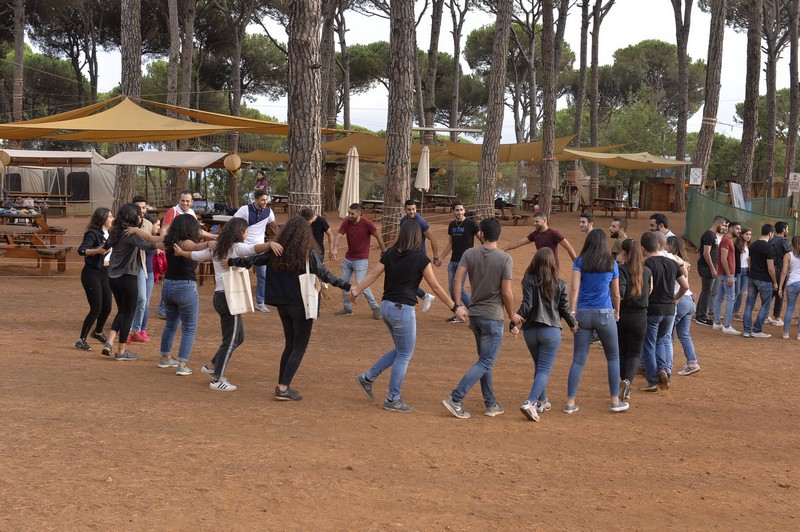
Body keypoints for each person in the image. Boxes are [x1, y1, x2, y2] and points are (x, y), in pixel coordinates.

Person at [229, 215, 353, 401]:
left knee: (290, 344)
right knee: (299, 346)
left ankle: (282, 384)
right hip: (302, 303)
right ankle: (283, 387)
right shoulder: (307, 251)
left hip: (282, 304)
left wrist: (231, 262)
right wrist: (349, 287)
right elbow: (324, 274)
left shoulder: (277, 249)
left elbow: (253, 260)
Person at [354, 222, 462, 413]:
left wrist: (357, 290)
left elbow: (373, 274)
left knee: (400, 350)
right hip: (403, 310)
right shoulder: (420, 258)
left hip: (386, 307)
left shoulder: (390, 254)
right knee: (404, 354)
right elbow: (435, 287)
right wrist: (455, 307)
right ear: (417, 237)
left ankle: (368, 378)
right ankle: (392, 398)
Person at [174, 217, 281, 390]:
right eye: (246, 231)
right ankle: (217, 379)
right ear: (240, 232)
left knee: (238, 337)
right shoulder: (236, 247)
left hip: (221, 296)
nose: (247, 234)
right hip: (229, 298)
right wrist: (269, 245)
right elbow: (253, 249)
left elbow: (196, 256)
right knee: (230, 339)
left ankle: (211, 366)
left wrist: (181, 253)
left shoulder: (218, 248)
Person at [442, 217, 514, 419]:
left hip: (475, 316)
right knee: (485, 361)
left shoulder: (469, 253)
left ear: (481, 234)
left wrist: (457, 305)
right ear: (498, 234)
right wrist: (511, 314)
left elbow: (457, 278)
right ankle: (455, 398)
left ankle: (491, 403)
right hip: (493, 317)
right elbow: (507, 293)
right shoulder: (504, 259)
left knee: (484, 361)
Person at [563, 229, 628, 414]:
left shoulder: (580, 262)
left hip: (583, 313)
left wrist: (572, 313)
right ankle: (615, 401)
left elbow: (574, 289)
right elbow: (615, 293)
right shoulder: (611, 263)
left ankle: (570, 403)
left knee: (578, 360)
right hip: (605, 313)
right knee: (613, 357)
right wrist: (617, 312)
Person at [510, 248, 577, 422]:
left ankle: (542, 401)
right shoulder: (560, 284)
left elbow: (527, 305)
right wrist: (573, 324)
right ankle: (531, 402)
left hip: (531, 331)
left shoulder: (528, 281)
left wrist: (514, 322)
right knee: (544, 369)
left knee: (540, 367)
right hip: (551, 331)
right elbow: (564, 309)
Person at [103, 203, 161, 361]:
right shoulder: (130, 233)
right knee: (129, 313)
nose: (140, 216)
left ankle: (109, 342)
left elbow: (106, 246)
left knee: (122, 311)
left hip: (113, 277)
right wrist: (164, 243)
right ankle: (121, 352)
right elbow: (147, 244)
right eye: (138, 214)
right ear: (132, 216)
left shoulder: (115, 231)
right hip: (127, 277)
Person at [639, 232, 689, 393]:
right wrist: (675, 299)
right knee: (662, 341)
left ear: (642, 248)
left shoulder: (646, 264)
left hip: (653, 309)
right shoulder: (672, 262)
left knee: (649, 343)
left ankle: (653, 380)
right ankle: (664, 371)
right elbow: (685, 286)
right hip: (669, 309)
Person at [330, 203, 385, 319]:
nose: (349, 215)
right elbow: (339, 235)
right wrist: (334, 248)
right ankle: (347, 308)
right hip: (348, 258)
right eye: (349, 212)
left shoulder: (367, 223)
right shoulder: (346, 222)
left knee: (361, 283)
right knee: (344, 282)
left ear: (359, 213)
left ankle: (375, 307)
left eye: (352, 213)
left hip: (361, 259)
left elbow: (378, 236)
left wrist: (384, 251)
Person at [616, 238, 651, 401]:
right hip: (640, 316)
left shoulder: (621, 269)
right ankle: (628, 382)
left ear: (625, 253)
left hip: (623, 315)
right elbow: (649, 290)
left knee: (622, 351)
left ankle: (623, 381)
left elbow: (619, 292)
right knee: (635, 353)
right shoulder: (647, 271)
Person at [75, 208, 113, 351]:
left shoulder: (111, 234)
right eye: (109, 216)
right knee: (96, 308)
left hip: (106, 273)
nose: (112, 219)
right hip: (92, 274)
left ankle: (97, 332)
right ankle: (81, 339)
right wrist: (97, 251)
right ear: (102, 219)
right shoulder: (93, 234)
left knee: (107, 308)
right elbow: (82, 250)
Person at [439, 201, 481, 323]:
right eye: (457, 210)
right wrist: (441, 258)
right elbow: (450, 244)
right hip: (453, 261)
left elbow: (483, 239)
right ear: (453, 211)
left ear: (464, 210)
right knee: (452, 290)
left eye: (461, 210)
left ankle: (475, 314)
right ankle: (459, 314)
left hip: (465, 261)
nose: (460, 212)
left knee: (459, 289)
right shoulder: (451, 225)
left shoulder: (471, 224)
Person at [233, 189, 275, 313]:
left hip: (260, 248)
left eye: (266, 200)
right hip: (244, 247)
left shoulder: (268, 212)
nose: (265, 202)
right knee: (239, 273)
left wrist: (280, 239)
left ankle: (260, 302)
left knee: (262, 276)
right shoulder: (244, 209)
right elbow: (234, 223)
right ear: (255, 199)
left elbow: (274, 226)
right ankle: (237, 300)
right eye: (262, 200)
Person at [667, 236, 701, 376]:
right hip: (689, 300)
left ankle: (665, 366)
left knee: (667, 336)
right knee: (684, 334)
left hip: (678, 300)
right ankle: (692, 362)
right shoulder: (685, 261)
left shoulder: (671, 259)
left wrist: (675, 299)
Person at [398, 199, 440, 308]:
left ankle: (420, 298)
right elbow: (400, 238)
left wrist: (435, 257)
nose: (411, 212)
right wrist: (389, 250)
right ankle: (422, 297)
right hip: (406, 255)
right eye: (409, 209)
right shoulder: (403, 220)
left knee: (406, 281)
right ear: (405, 210)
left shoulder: (420, 222)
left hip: (418, 257)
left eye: (413, 209)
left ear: (416, 209)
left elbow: (433, 238)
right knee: (404, 280)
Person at [503, 211, 577, 268]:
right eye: (534, 221)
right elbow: (520, 242)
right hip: (540, 266)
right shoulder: (535, 234)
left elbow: (569, 247)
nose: (534, 223)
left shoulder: (554, 233)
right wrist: (505, 248)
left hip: (552, 267)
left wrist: (576, 263)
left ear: (544, 220)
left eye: (537, 221)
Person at [743, 224, 778, 339]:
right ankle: (757, 330)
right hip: (764, 279)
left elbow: (750, 261)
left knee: (749, 304)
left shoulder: (753, 245)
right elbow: (770, 268)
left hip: (752, 277)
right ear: (770, 233)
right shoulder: (768, 247)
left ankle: (747, 330)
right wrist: (774, 282)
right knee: (765, 305)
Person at [128, 196, 155, 343]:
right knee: (134, 299)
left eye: (144, 208)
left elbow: (148, 244)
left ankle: (136, 329)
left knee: (143, 299)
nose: (141, 211)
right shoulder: (125, 224)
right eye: (138, 208)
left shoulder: (148, 224)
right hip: (127, 267)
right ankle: (126, 328)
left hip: (142, 266)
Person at [695, 216, 726, 326]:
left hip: (711, 267)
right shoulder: (709, 235)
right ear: (717, 224)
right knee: (707, 291)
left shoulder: (713, 236)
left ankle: (699, 313)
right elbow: (706, 253)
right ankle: (701, 317)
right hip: (707, 267)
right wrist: (713, 268)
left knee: (706, 291)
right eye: (723, 225)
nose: (724, 228)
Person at [712, 221, 742, 334]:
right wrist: (729, 276)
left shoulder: (727, 240)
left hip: (724, 274)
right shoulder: (726, 240)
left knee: (720, 297)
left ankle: (717, 322)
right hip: (727, 274)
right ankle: (727, 325)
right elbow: (723, 259)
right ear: (731, 228)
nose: (739, 231)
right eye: (737, 228)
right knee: (730, 298)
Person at [767, 221, 792, 327]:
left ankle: (765, 315)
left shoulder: (770, 239)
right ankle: (776, 317)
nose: (788, 230)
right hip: (781, 270)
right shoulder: (785, 241)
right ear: (783, 230)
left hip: (770, 269)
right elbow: (789, 254)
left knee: (770, 293)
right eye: (787, 228)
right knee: (779, 292)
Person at [779, 236, 800, 340]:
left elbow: (784, 272)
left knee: (790, 308)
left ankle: (785, 333)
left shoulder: (788, 255)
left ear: (791, 244)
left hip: (792, 283)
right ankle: (799, 334)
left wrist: (780, 288)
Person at [732, 227, 752, 321]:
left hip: (746, 271)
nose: (748, 236)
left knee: (741, 293)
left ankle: (736, 312)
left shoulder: (749, 246)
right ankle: (731, 312)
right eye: (746, 234)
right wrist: (735, 273)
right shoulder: (737, 245)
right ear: (742, 235)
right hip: (738, 271)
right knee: (736, 292)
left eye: (750, 234)